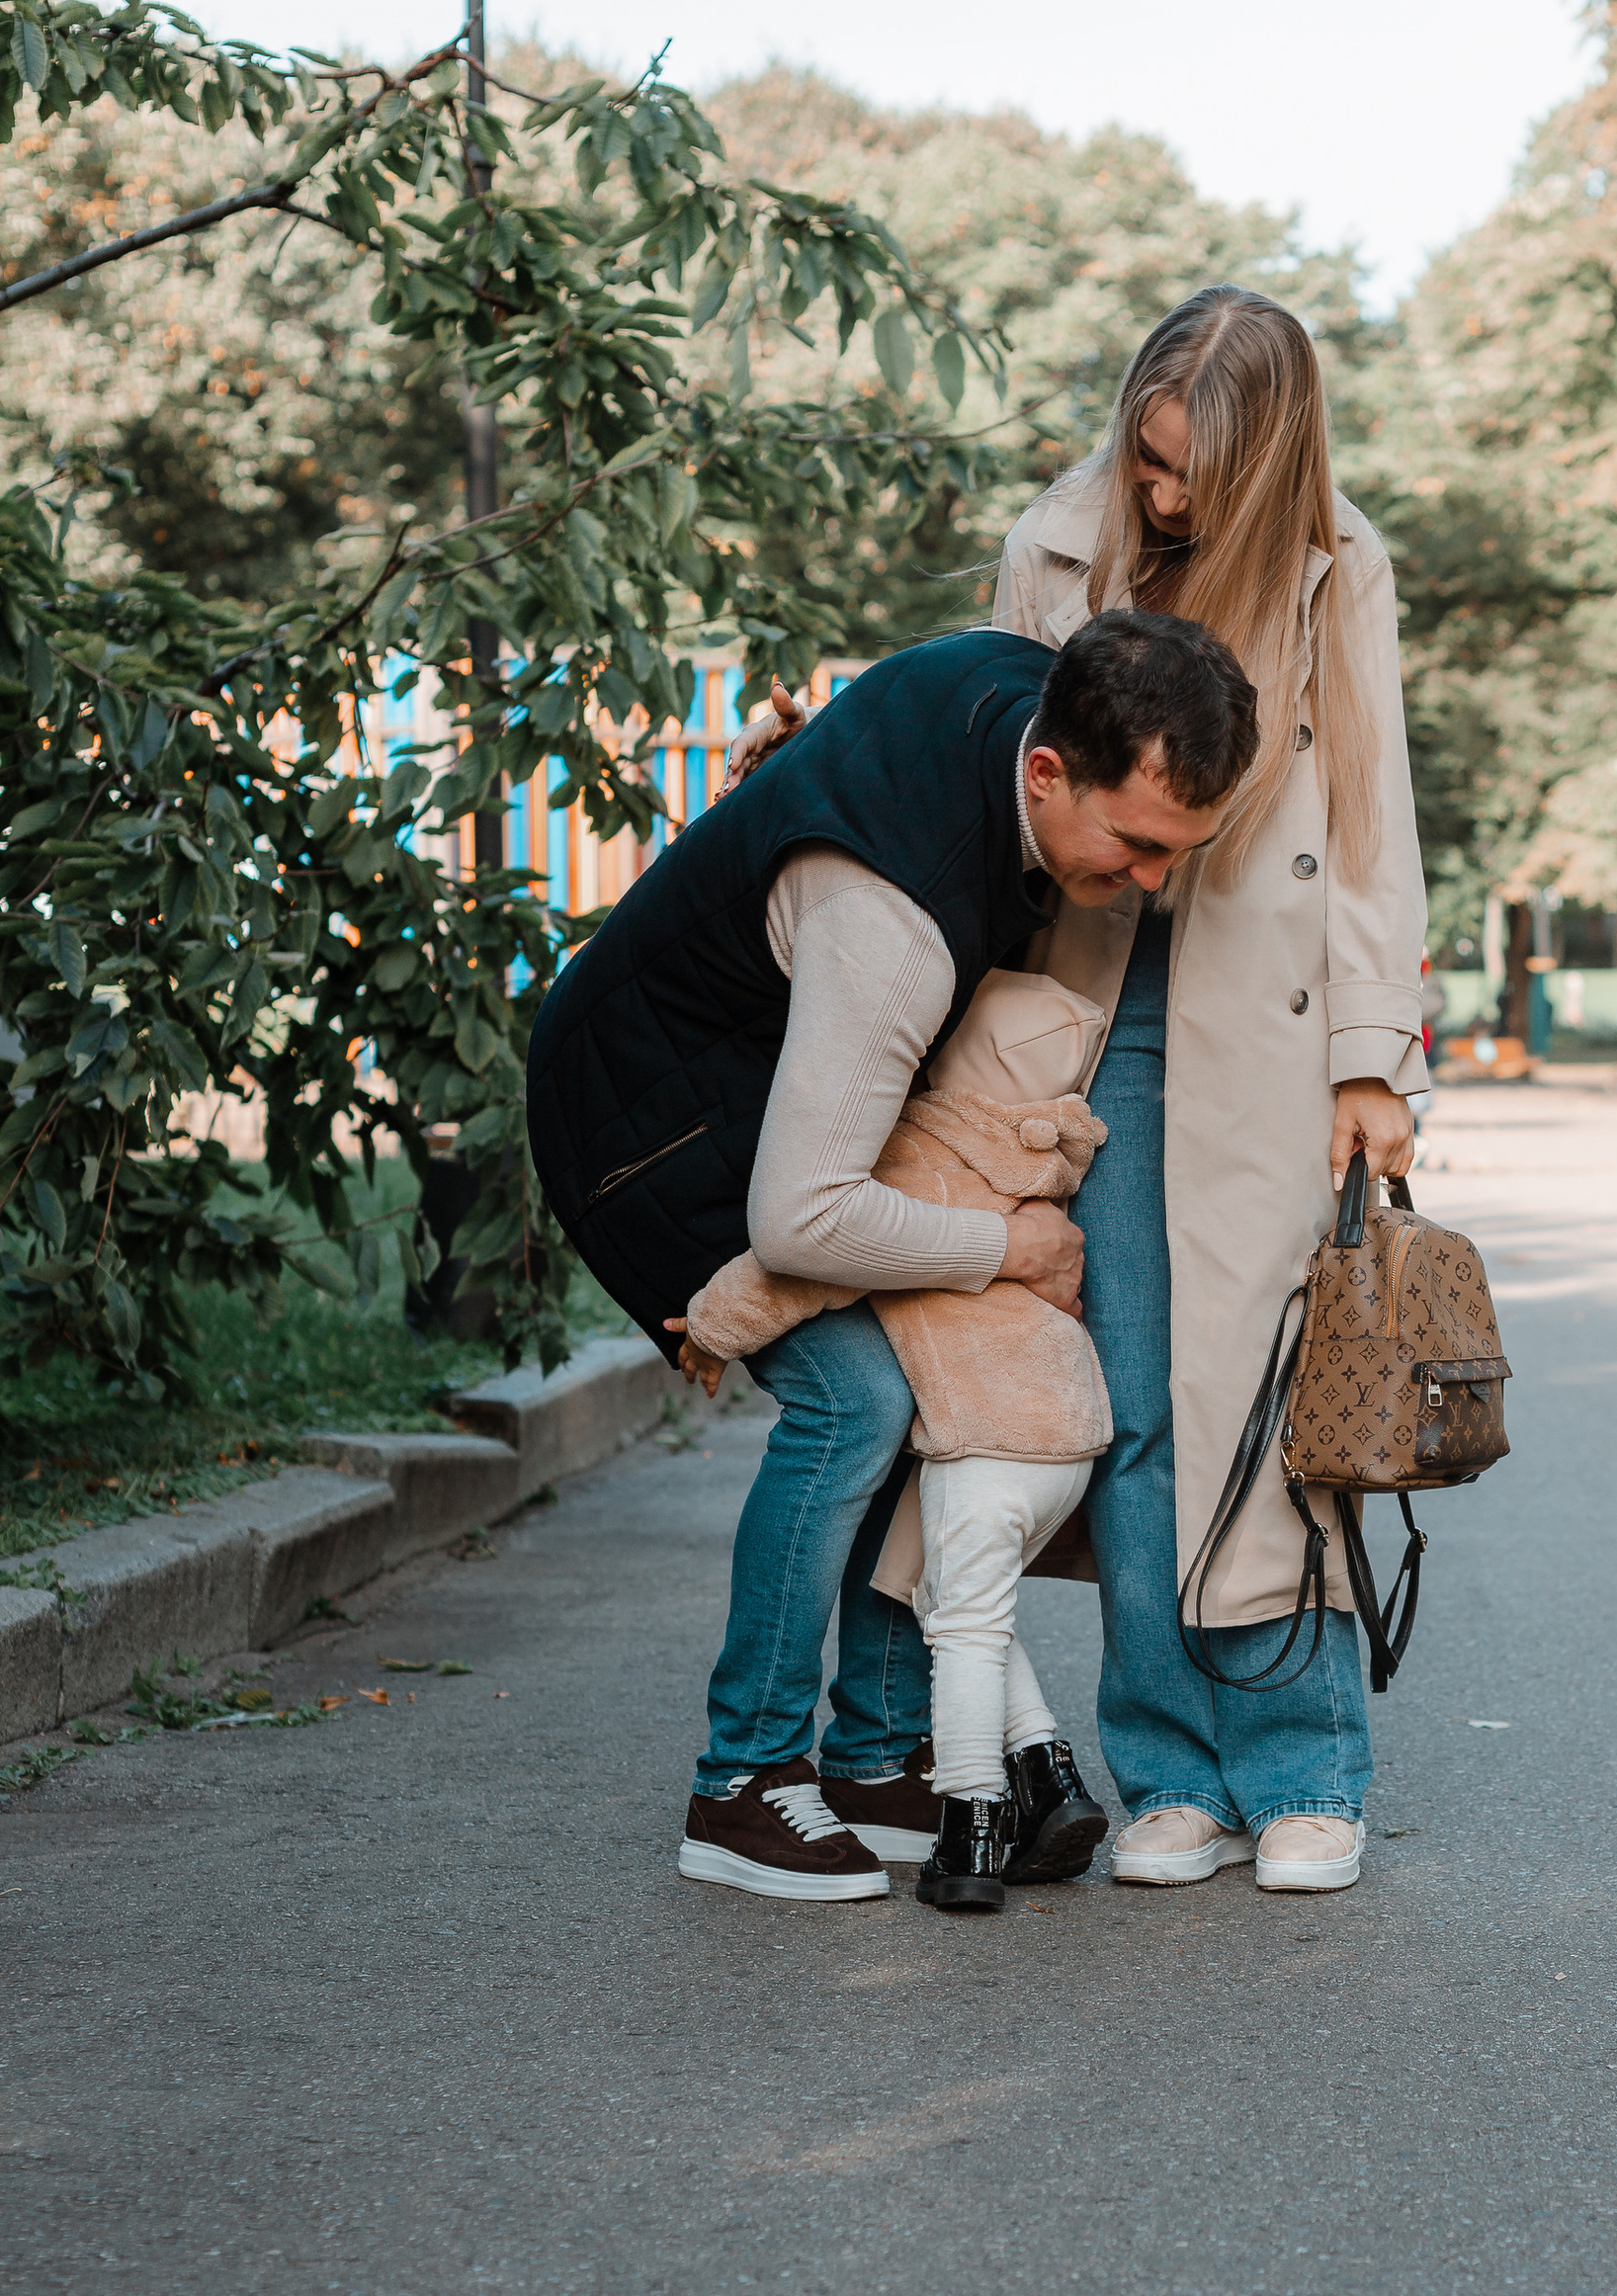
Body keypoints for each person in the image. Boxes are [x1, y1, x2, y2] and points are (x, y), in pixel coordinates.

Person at [734, 287, 1429, 1899]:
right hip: (1086, 1009)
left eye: (1196, 476)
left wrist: (1375, 1063)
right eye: (1149, 456)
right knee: (1120, 1402)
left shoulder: (1341, 564)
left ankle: (1308, 1768)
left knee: (1279, 1400)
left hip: (1274, 1019)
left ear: (1266, 468)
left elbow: (1375, 815)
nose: (1165, 497)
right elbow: (999, 749)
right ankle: (1168, 1769)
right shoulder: (1057, 545)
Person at [524, 610, 1257, 1901]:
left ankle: (873, 1758)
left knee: (916, 1383)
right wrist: (1008, 1247)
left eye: (1180, 854)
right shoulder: (891, 927)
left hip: (781, 1092)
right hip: (650, 1127)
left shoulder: (1028, 692)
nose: (1152, 884)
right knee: (854, 1396)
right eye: (1137, 847)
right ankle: (742, 1779)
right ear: (1047, 774)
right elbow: (800, 1220)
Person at [673, 970, 1118, 1916]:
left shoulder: (923, 1153)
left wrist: (713, 1325)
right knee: (962, 1588)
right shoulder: (1051, 1167)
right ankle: (1000, 1767)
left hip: (982, 1437)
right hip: (1067, 1438)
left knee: (963, 1621)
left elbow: (805, 1269)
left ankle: (971, 1819)